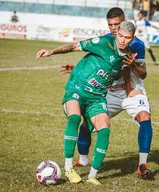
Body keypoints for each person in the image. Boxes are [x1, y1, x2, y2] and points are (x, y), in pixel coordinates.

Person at [36, 21, 136, 185]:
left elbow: (111, 73)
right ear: (116, 33)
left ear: (133, 38)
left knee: (104, 130)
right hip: (77, 89)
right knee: (74, 118)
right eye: (120, 36)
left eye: (127, 38)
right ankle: (68, 168)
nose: (123, 40)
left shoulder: (128, 56)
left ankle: (92, 176)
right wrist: (51, 51)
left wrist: (130, 68)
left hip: (97, 97)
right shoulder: (103, 43)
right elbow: (74, 46)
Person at [61, 7, 154, 180]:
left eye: (117, 24)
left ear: (124, 23)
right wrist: (80, 70)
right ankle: (83, 160)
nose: (113, 28)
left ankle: (142, 164)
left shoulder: (137, 45)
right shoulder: (106, 41)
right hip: (110, 91)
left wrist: (132, 67)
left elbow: (142, 74)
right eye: (110, 25)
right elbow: (101, 65)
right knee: (87, 123)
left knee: (145, 117)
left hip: (133, 91)